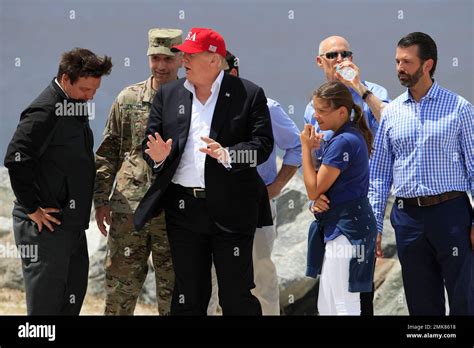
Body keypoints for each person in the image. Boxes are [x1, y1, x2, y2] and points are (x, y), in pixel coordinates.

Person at [133, 28, 274, 315]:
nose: (183, 59)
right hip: (184, 210)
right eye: (183, 53)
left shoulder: (249, 94)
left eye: (191, 54)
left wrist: (229, 154)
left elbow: (263, 146)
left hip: (233, 210)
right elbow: (151, 142)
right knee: (188, 294)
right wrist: (157, 158)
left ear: (214, 60)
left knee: (236, 295)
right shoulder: (169, 94)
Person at [369, 32, 473, 315]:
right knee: (421, 303)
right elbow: (379, 174)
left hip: (451, 215)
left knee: (464, 299)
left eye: (406, 62)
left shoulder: (460, 108)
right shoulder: (391, 114)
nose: (399, 68)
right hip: (407, 219)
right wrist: (375, 226)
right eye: (397, 61)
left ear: (427, 65)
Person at [4, 48, 112, 315]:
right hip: (45, 230)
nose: (91, 96)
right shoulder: (45, 110)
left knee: (70, 303)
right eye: (86, 89)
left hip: (70, 228)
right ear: (66, 80)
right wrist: (32, 209)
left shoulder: (73, 105)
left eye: (95, 89)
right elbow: (16, 158)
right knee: (45, 312)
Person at [94, 28, 182, 315]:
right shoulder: (128, 98)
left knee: (175, 291)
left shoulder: (191, 101)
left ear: (181, 58)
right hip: (129, 209)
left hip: (174, 211)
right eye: (155, 58)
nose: (161, 65)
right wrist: (101, 200)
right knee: (121, 287)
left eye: (168, 58)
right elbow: (107, 153)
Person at [207, 50, 302, 315]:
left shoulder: (267, 108)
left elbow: (296, 147)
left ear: (233, 73)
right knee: (209, 279)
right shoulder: (197, 109)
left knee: (260, 276)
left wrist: (277, 186)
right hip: (211, 205)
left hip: (255, 206)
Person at [304, 36, 389, 315]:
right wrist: (313, 202)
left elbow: (392, 124)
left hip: (369, 201)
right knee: (332, 296)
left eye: (345, 53)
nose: (340, 59)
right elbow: (317, 166)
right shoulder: (316, 109)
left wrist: (359, 88)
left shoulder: (371, 93)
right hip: (337, 207)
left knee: (351, 295)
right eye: (332, 55)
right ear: (320, 62)